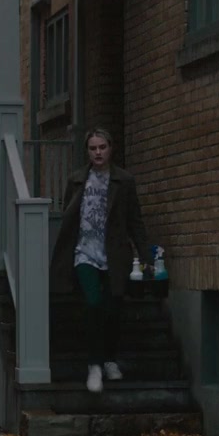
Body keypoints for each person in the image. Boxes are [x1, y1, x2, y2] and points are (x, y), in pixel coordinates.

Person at [49, 128, 152, 393]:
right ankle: (94, 365)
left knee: (113, 307)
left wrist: (145, 255)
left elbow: (135, 220)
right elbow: (69, 219)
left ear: (111, 148)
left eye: (102, 147)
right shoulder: (76, 180)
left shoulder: (124, 181)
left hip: (115, 254)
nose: (98, 152)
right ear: (87, 151)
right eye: (93, 148)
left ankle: (109, 360)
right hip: (84, 252)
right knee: (93, 303)